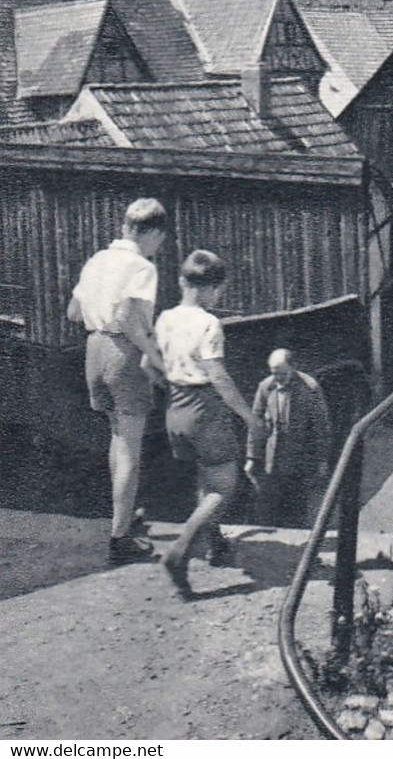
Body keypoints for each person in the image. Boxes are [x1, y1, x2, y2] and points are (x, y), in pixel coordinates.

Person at [67, 198, 167, 565]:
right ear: (153, 233)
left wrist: (101, 312)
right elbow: (127, 318)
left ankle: (123, 517)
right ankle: (120, 537)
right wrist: (155, 356)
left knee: (117, 437)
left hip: (94, 350)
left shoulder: (98, 260)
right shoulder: (142, 267)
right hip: (123, 355)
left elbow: (73, 312)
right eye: (159, 240)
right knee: (130, 449)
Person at [155, 250, 257, 597]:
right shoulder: (209, 324)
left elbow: (148, 364)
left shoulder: (165, 318)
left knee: (206, 473)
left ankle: (215, 544)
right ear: (215, 289)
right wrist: (249, 416)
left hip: (175, 407)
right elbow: (219, 376)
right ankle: (180, 550)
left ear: (182, 281)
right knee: (224, 487)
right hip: (204, 408)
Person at [244, 349, 332, 528]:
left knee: (296, 510)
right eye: (274, 373)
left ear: (293, 368)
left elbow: (321, 428)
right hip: (272, 460)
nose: (278, 379)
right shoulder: (265, 387)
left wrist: (322, 460)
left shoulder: (310, 388)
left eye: (282, 373)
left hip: (299, 460)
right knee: (267, 510)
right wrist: (252, 457)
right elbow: (256, 423)